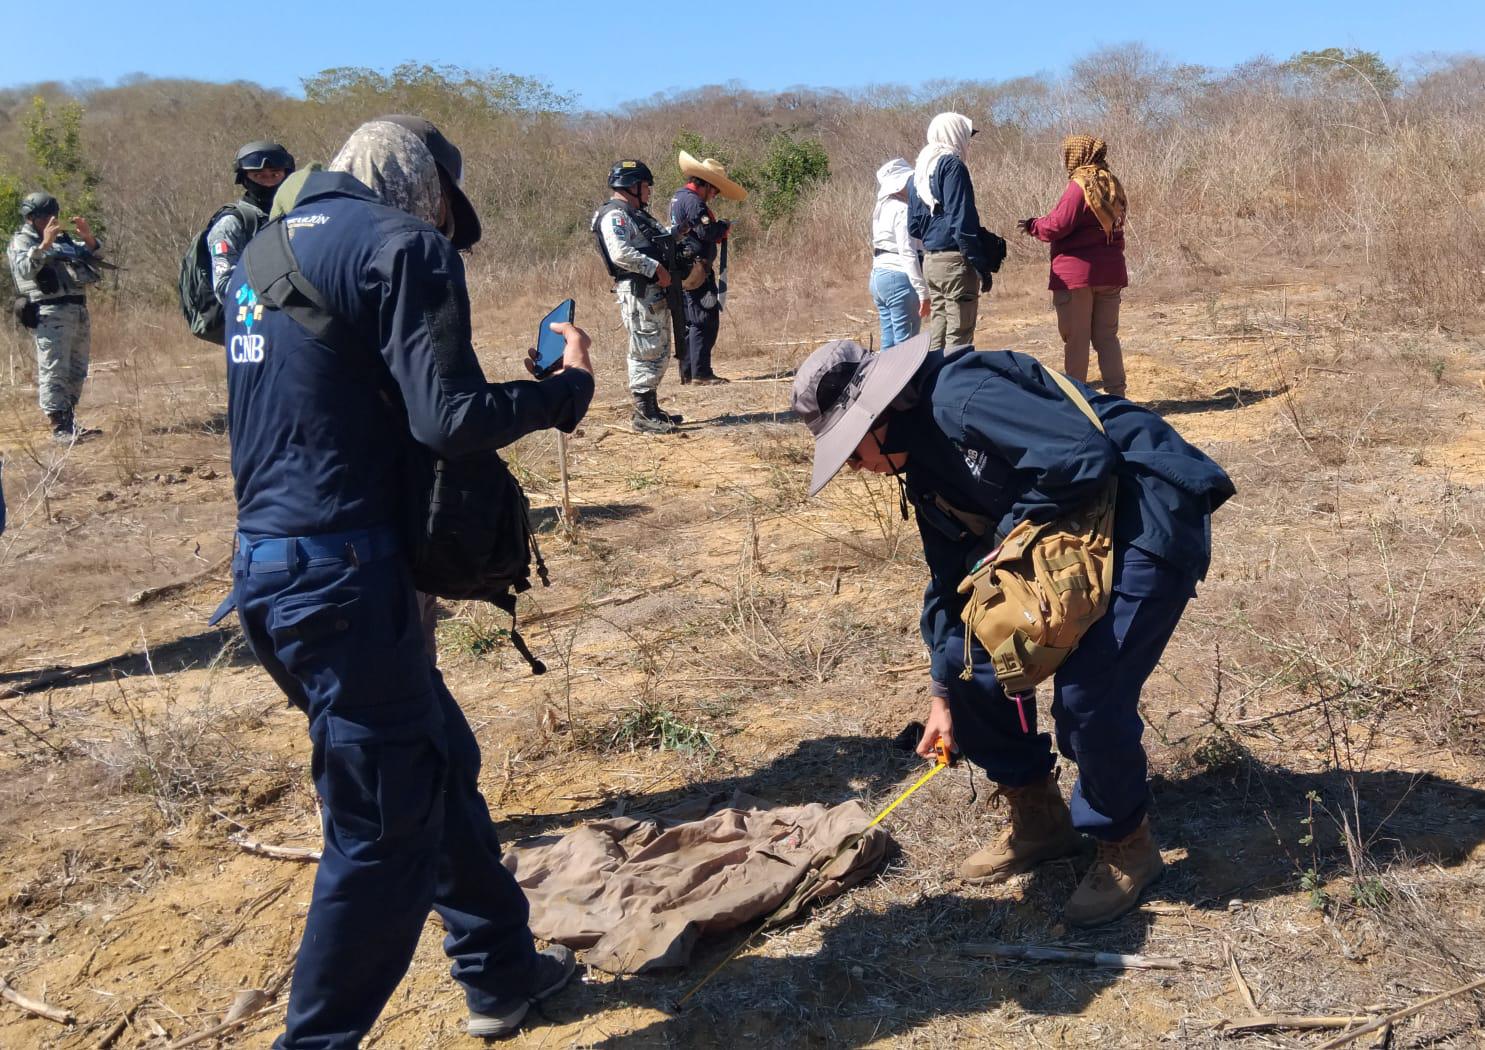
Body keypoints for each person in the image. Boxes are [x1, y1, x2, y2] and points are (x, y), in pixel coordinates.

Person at [222, 115, 593, 1047]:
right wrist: (562, 391)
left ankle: (500, 972)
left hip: (271, 571)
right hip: (347, 580)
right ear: (421, 185)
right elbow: (450, 418)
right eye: (441, 204)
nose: (442, 221)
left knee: (432, 763)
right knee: (380, 834)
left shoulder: (262, 250)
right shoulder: (403, 245)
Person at [791, 334, 1234, 926]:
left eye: (851, 451)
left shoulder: (960, 396)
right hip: (1068, 529)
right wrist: (943, 694)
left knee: (1089, 691)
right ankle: (1040, 820)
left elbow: (1083, 458)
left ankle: (1126, 843)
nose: (854, 467)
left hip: (1143, 511)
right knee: (963, 657)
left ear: (880, 416)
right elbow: (952, 580)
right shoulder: (920, 466)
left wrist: (1004, 543)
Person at [1018, 135, 1128, 397]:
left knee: (1077, 339)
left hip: (1077, 276)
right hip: (1111, 272)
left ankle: (1076, 401)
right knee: (1106, 337)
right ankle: (1117, 397)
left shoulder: (1079, 185)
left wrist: (1034, 225)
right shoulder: (1112, 183)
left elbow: (1058, 224)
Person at [591, 159, 683, 434]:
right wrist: (655, 268)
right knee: (646, 350)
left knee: (658, 349)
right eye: (646, 186)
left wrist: (678, 234)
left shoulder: (634, 214)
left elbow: (653, 241)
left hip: (651, 293)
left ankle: (651, 409)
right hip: (640, 292)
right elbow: (620, 252)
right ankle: (643, 414)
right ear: (632, 186)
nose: (649, 191)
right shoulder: (615, 216)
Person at [7, 192, 104, 441]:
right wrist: (43, 246)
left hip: (77, 309)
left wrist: (88, 238)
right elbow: (23, 270)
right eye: (45, 216)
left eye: (54, 215)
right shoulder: (21, 242)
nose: (52, 220)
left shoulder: (63, 239)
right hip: (50, 311)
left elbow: (91, 257)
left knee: (76, 369)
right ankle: (59, 426)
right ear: (31, 218)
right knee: (54, 369)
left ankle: (70, 420)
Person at [907, 113, 995, 352]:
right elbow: (961, 220)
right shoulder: (952, 165)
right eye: (967, 136)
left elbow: (913, 227)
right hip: (955, 263)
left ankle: (935, 385)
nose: (968, 141)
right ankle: (955, 386)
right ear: (954, 133)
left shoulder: (920, 171)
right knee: (959, 336)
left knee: (939, 332)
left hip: (932, 263)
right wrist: (980, 265)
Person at [669, 149, 747, 384]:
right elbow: (705, 232)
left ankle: (689, 372)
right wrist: (722, 228)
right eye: (714, 190)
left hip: (685, 269)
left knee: (691, 321)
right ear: (705, 184)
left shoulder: (679, 197)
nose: (714, 195)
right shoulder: (694, 202)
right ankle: (700, 373)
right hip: (696, 270)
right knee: (704, 319)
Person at [206, 141, 296, 303]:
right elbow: (224, 287)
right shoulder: (231, 224)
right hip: (249, 321)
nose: (268, 182)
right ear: (244, 178)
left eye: (275, 175)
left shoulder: (298, 216)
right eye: (259, 176)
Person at [869, 158, 929, 350]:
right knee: (906, 348)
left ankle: (882, 380)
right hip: (899, 277)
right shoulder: (902, 210)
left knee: (889, 345)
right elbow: (907, 252)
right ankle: (907, 381)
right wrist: (922, 292)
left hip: (879, 276)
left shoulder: (882, 208)